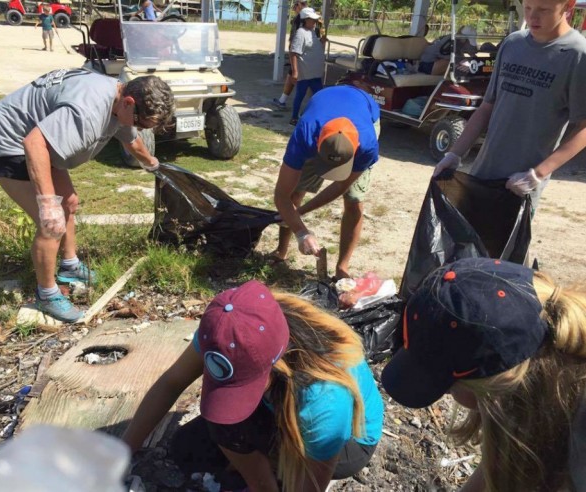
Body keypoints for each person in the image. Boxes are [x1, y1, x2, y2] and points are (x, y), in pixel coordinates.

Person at [122, 280, 383, 492]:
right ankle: (264, 472)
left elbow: (310, 486)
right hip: (280, 403)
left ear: (276, 363)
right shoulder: (226, 329)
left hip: (349, 441)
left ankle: (265, 472)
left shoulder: (323, 398)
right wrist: (122, 452)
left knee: (230, 437)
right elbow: (171, 382)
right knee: (191, 447)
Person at [0, 70, 174, 322]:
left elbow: (132, 141)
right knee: (52, 221)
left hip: (38, 135)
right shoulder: (88, 109)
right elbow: (34, 144)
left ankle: (69, 268)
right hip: (9, 140)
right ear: (129, 103)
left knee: (69, 202)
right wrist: (47, 203)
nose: (136, 127)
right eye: (139, 122)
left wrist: (154, 165)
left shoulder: (119, 99)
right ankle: (46, 295)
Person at [381, 257, 586, 491]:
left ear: (496, 381)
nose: (449, 394)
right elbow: (495, 469)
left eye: (448, 386)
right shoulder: (533, 376)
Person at [433, 0, 586, 212]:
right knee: (463, 240)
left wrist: (538, 174)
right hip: (482, 171)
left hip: (520, 184)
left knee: (502, 244)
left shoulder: (578, 55)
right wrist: (455, 153)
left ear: (567, 8)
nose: (532, 17)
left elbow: (583, 128)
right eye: (529, 8)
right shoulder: (513, 44)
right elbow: (487, 106)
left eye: (543, 10)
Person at [272, 85, 380, 280]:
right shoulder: (305, 134)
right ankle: (281, 251)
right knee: (295, 192)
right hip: (322, 112)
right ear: (317, 144)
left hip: (365, 111)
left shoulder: (368, 145)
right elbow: (281, 196)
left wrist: (300, 213)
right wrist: (301, 232)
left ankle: (342, 268)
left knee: (354, 200)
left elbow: (341, 185)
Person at [289, 7, 326, 125]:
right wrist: (295, 72)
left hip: (314, 73)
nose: (315, 22)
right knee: (300, 95)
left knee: (320, 96)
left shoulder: (313, 32)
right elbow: (294, 52)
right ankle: (294, 117)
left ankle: (316, 116)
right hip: (305, 73)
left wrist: (322, 41)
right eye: (312, 20)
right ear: (306, 20)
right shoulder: (301, 33)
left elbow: (314, 48)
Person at [272, 0, 309, 110]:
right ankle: (282, 100)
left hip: (299, 51)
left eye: (295, 6)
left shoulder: (299, 18)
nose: (294, 9)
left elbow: (293, 37)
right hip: (308, 51)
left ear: (299, 5)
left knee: (294, 75)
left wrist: (291, 51)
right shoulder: (314, 17)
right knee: (306, 78)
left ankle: (283, 101)